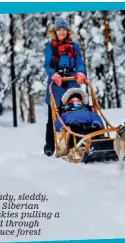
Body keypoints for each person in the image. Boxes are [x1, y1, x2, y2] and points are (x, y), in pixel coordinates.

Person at [43, 17, 87, 156]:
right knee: (54, 116)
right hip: (56, 85)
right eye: (59, 30)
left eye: (64, 30)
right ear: (55, 32)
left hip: (71, 82)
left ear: (67, 32)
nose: (61, 32)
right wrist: (54, 74)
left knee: (75, 112)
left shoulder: (74, 46)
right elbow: (47, 65)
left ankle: (77, 142)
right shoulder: (50, 47)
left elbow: (79, 62)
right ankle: (50, 146)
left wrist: (80, 72)